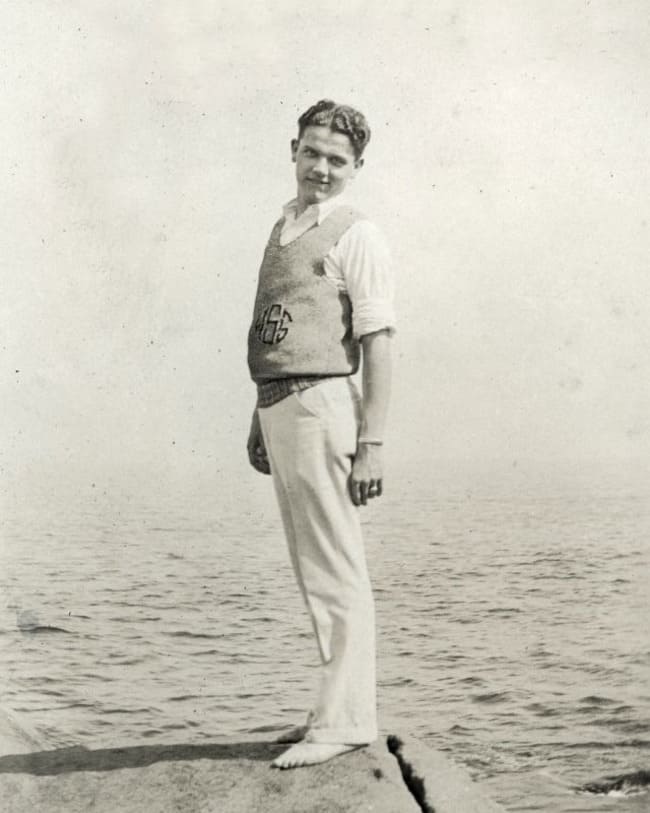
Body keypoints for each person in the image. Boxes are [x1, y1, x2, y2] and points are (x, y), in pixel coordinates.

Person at [246, 99, 395, 769]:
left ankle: (347, 720)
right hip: (280, 407)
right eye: (312, 152)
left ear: (356, 167)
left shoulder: (356, 233)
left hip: (326, 407)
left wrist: (373, 443)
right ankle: (331, 707)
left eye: (337, 159)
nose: (322, 167)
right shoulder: (283, 223)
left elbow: (379, 341)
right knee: (313, 568)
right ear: (294, 150)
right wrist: (259, 412)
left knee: (337, 569)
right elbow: (279, 326)